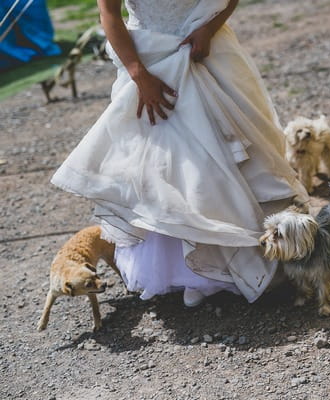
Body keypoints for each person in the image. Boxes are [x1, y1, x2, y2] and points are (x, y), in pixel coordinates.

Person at [51, 0, 308, 307]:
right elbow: (109, 15)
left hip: (208, 52)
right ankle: (189, 273)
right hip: (150, 63)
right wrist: (138, 74)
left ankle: (263, 257)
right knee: (167, 170)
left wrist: (209, 28)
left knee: (236, 156)